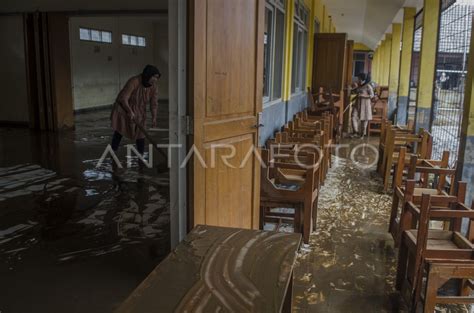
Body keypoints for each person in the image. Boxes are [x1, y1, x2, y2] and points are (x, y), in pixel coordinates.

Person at [110, 65, 161, 156]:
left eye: (157, 77)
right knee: (120, 130)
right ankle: (113, 151)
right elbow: (124, 98)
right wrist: (129, 111)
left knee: (141, 134)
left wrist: (154, 117)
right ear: (147, 75)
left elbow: (154, 103)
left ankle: (140, 155)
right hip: (124, 109)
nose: (155, 79)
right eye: (153, 76)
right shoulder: (134, 81)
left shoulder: (154, 86)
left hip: (139, 111)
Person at [351, 73, 375, 138]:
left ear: (362, 79)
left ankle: (362, 134)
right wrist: (354, 96)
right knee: (353, 116)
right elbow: (356, 92)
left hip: (365, 105)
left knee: (364, 120)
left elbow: (372, 95)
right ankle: (355, 131)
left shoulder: (368, 86)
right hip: (357, 104)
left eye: (359, 78)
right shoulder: (359, 85)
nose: (358, 80)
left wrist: (363, 96)